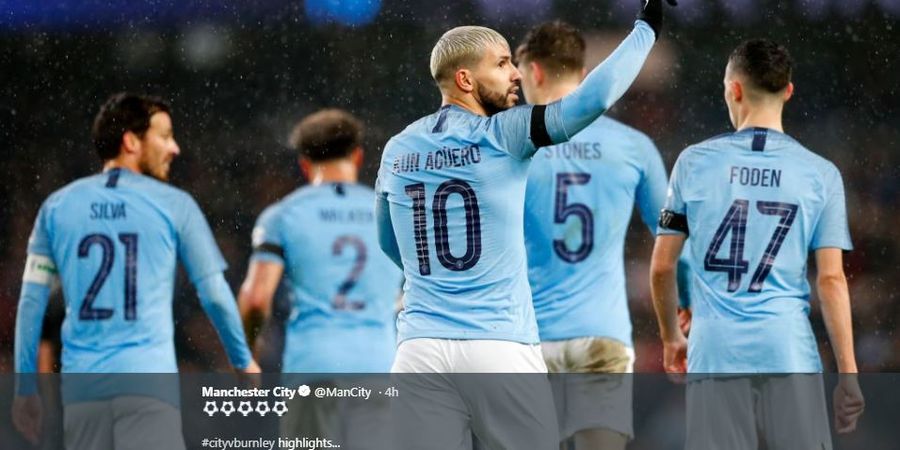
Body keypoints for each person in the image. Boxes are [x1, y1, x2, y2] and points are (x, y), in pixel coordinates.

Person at [375, 1, 676, 448]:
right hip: (499, 345)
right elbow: (592, 100)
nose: (515, 74)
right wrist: (646, 27)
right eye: (500, 64)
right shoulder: (507, 134)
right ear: (465, 80)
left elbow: (388, 240)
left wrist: (431, 282)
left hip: (420, 350)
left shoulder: (398, 149)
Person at [650, 39, 865, 449]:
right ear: (788, 91)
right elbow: (832, 281)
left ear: (733, 90)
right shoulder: (820, 174)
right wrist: (848, 374)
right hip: (787, 350)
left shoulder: (693, 162)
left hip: (715, 351)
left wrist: (671, 338)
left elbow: (662, 267)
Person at [12, 93, 259, 450]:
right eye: (164, 135)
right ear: (130, 141)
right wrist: (242, 362)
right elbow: (215, 294)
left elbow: (31, 303)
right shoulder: (175, 205)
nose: (174, 148)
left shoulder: (57, 207)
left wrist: (25, 389)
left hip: (82, 394)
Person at [515, 20, 667, 450]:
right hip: (602, 334)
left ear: (535, 73)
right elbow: (672, 242)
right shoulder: (634, 146)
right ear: (582, 75)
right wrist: (680, 319)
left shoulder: (511, 143)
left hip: (524, 338)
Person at [239, 108, 403, 448]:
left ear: (303, 163)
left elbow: (256, 299)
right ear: (357, 156)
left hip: (313, 364)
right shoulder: (390, 213)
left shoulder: (283, 215)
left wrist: (248, 350)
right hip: (379, 364)